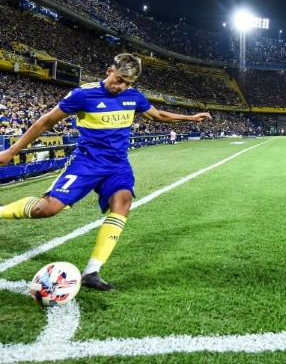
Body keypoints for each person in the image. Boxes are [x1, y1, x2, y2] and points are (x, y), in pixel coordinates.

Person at [0, 53, 211, 291]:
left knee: (123, 201)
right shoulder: (83, 94)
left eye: (128, 84)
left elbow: (158, 115)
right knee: (46, 209)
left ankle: (92, 271)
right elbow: (45, 122)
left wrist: (190, 117)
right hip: (86, 163)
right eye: (120, 79)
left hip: (117, 165)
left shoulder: (133, 97)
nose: (122, 87)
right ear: (109, 70)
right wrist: (11, 152)